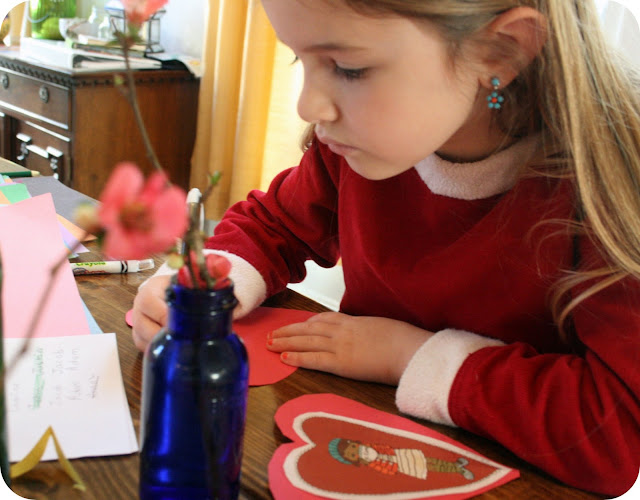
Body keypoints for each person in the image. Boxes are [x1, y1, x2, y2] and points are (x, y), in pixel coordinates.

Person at [131, 0, 640, 496]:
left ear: (500, 52)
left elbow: (613, 435)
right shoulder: (353, 147)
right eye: (298, 59)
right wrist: (207, 283)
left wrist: (405, 356)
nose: (307, 106)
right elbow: (273, 224)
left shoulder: (607, 194)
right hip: (360, 436)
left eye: (348, 68)